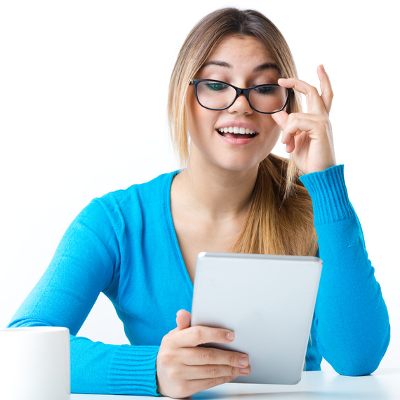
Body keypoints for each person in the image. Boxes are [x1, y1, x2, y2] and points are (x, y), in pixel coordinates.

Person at [8, 7, 390, 398]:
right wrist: (154, 371)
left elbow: (357, 358)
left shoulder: (317, 209)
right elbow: (22, 345)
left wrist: (325, 181)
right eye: (216, 84)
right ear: (183, 96)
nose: (240, 105)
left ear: (286, 106)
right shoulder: (115, 222)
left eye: (263, 87)